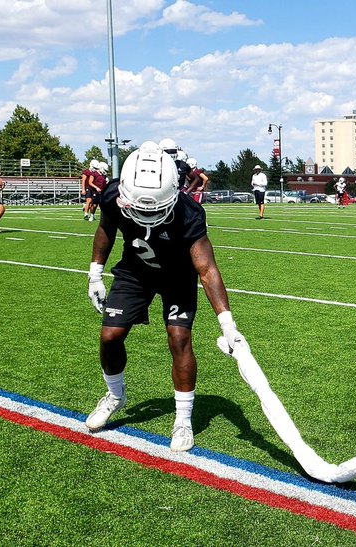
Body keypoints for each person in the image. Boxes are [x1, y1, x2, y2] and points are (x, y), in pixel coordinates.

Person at [84, 141, 247, 452]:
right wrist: (95, 273)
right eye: (141, 209)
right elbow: (106, 227)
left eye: (156, 209)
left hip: (178, 276)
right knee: (109, 337)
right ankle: (115, 396)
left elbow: (206, 268)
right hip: (135, 270)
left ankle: (183, 419)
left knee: (179, 338)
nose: (148, 216)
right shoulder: (113, 193)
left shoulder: (188, 212)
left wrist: (227, 324)